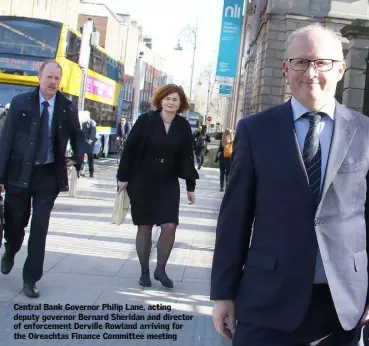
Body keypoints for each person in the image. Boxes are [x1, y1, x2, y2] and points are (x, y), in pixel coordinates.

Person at [211, 23, 369, 346]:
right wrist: (223, 293)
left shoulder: (365, 134)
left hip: (342, 305)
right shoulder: (255, 131)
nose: (311, 72)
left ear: (340, 69)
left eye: (322, 63)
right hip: (267, 301)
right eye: (301, 62)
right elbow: (235, 219)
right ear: (286, 69)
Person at [0, 60, 85, 298]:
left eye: (57, 79)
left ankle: (30, 279)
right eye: (49, 77)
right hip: (19, 174)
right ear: (39, 77)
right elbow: (5, 140)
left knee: (40, 227)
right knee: (15, 224)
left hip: (48, 176)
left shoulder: (67, 107)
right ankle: (10, 250)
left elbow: (79, 135)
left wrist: (77, 156)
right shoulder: (20, 103)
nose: (53, 82)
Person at [117, 84, 199, 289]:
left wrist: (191, 186)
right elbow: (129, 150)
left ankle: (160, 269)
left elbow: (187, 157)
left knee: (169, 226)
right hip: (143, 181)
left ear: (181, 104)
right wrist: (123, 177)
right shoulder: (146, 121)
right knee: (144, 226)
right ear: (160, 100)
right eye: (168, 99)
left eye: (175, 100)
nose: (171, 102)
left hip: (168, 183)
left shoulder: (182, 126)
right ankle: (144, 271)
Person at [81, 111, 96, 178]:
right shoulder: (84, 123)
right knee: (81, 156)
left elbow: (93, 132)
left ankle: (91, 172)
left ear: (88, 116)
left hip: (90, 143)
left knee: (90, 158)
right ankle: (81, 171)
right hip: (84, 142)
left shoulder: (92, 122)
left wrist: (90, 140)